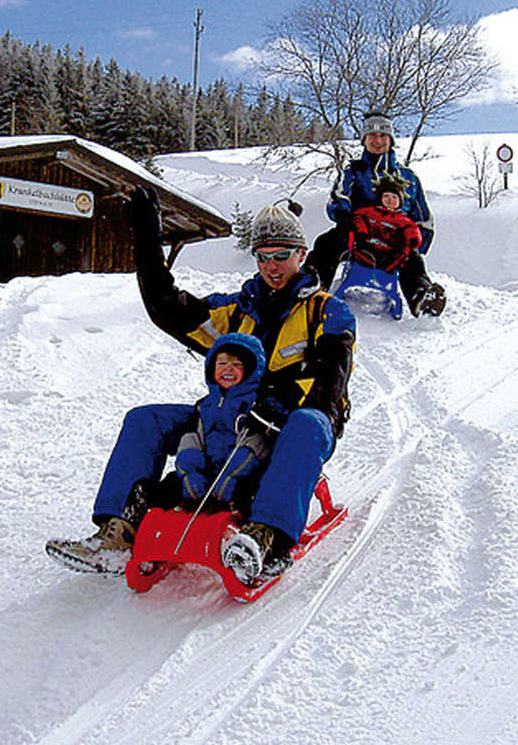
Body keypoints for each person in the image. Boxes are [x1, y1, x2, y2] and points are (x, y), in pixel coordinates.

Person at [46, 194, 356, 585]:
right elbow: (169, 310)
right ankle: (119, 531)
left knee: (308, 423)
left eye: (281, 255)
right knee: (146, 419)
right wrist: (146, 240)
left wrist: (283, 402)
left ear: (301, 253)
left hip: (300, 420)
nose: (271, 267)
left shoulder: (326, 310)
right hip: (234, 414)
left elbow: (332, 377)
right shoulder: (238, 311)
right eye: (262, 256)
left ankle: (266, 538)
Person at [308, 110, 446, 316]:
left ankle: (422, 298)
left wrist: (415, 241)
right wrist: (345, 219)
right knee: (327, 242)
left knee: (414, 261)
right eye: (372, 135)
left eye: (383, 135)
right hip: (358, 237)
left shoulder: (408, 177)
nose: (378, 140)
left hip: (395, 243)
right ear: (364, 139)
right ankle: (313, 287)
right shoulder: (353, 172)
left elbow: (423, 216)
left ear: (391, 139)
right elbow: (338, 199)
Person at [172, 332, 271, 511]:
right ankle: (137, 515)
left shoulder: (255, 405)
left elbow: (256, 442)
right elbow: (193, 438)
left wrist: (231, 475)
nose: (228, 369)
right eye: (222, 363)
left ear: (249, 371)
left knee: (250, 493)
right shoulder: (205, 406)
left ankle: (253, 527)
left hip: (243, 473)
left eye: (237, 365)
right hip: (208, 471)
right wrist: (191, 472)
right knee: (170, 485)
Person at [348, 174, 423, 273]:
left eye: (394, 197)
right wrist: (361, 231)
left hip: (391, 255)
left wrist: (413, 238)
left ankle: (421, 286)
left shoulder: (402, 220)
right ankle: (326, 280)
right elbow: (358, 218)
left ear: (400, 202)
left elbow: (411, 229)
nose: (390, 200)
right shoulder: (370, 212)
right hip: (367, 248)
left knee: (413, 259)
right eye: (386, 196)